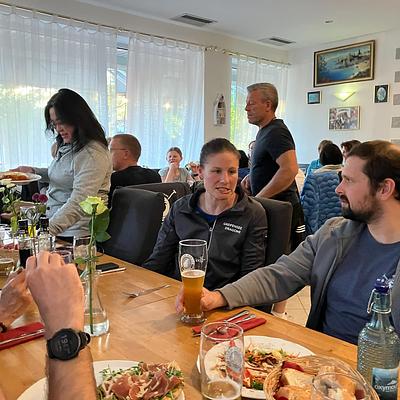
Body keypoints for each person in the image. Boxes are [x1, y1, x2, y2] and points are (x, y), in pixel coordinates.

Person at [177, 140, 400, 345]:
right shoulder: (334, 233)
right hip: (324, 359)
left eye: (349, 181)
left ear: (384, 189)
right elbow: (279, 275)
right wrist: (217, 297)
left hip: (384, 371)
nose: (338, 188)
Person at [144, 138, 267, 290]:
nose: (225, 180)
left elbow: (250, 277)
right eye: (217, 171)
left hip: (225, 297)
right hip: (178, 292)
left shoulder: (252, 213)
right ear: (200, 172)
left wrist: (220, 298)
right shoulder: (181, 208)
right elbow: (159, 259)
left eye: (232, 172)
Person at [14, 88, 112, 241]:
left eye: (61, 122)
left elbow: (80, 201)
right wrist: (33, 171)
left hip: (76, 235)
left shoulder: (93, 153)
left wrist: (46, 231)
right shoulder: (70, 145)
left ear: (78, 119)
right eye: (54, 124)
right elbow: (65, 174)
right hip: (58, 226)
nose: (58, 129)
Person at [242, 83, 305, 251]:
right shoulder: (264, 131)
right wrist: (251, 176)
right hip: (272, 208)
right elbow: (272, 165)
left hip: (281, 211)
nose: (246, 108)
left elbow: (290, 169)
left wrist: (259, 199)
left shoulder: (277, 131)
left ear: (268, 105)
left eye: (251, 103)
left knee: (280, 261)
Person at [108, 134, 161, 206]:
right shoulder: (154, 176)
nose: (108, 155)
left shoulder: (113, 179)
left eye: (111, 150)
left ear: (126, 154)